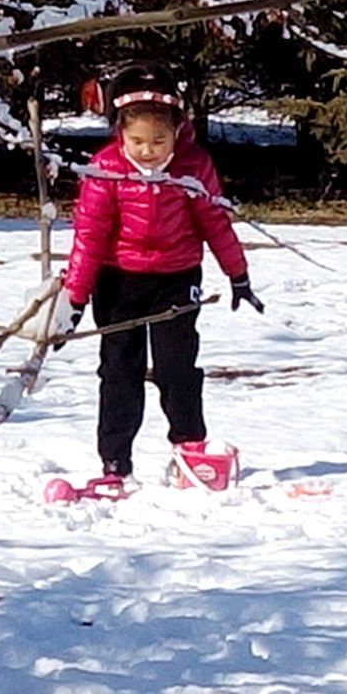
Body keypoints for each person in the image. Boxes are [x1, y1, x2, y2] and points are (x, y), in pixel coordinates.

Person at [59, 63, 263, 492]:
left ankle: (190, 451)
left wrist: (238, 275)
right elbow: (89, 238)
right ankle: (115, 463)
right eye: (137, 141)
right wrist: (74, 300)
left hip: (176, 278)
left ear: (177, 132)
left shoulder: (193, 167)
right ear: (120, 134)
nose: (148, 151)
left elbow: (215, 222)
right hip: (118, 282)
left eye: (158, 141)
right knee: (120, 371)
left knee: (177, 368)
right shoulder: (106, 170)